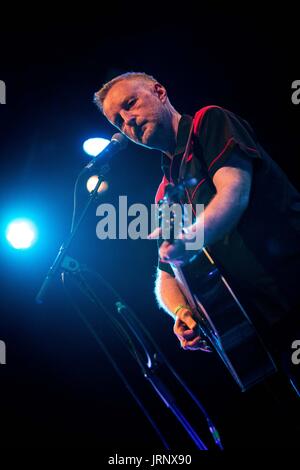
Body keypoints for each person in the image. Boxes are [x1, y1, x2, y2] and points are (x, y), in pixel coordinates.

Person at [94, 72, 300, 392]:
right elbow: (166, 276)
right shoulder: (165, 193)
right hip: (268, 327)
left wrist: (188, 242)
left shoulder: (209, 122)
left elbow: (234, 193)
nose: (128, 121)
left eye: (130, 104)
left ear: (159, 91)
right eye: (118, 121)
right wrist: (182, 312)